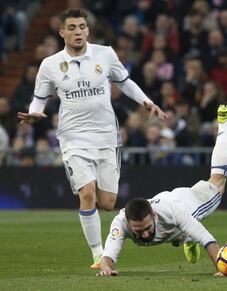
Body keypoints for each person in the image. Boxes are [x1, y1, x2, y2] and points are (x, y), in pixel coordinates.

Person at [17, 8, 168, 269]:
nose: (78, 32)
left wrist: (147, 101)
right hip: (73, 138)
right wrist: (34, 113)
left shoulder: (105, 54)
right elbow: (40, 98)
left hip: (107, 136)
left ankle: (99, 223)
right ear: (61, 32)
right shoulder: (50, 65)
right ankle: (98, 254)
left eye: (82, 27)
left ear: (88, 30)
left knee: (107, 203)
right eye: (72, 27)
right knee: (87, 194)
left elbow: (125, 82)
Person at [97, 104, 227, 277]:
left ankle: (224, 122)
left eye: (146, 228)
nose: (144, 234)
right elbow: (108, 255)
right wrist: (106, 268)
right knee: (179, 232)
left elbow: (207, 239)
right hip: (166, 203)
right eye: (138, 230)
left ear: (154, 216)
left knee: (218, 181)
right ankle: (185, 238)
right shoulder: (121, 222)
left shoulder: (174, 212)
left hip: (186, 203)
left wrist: (222, 268)